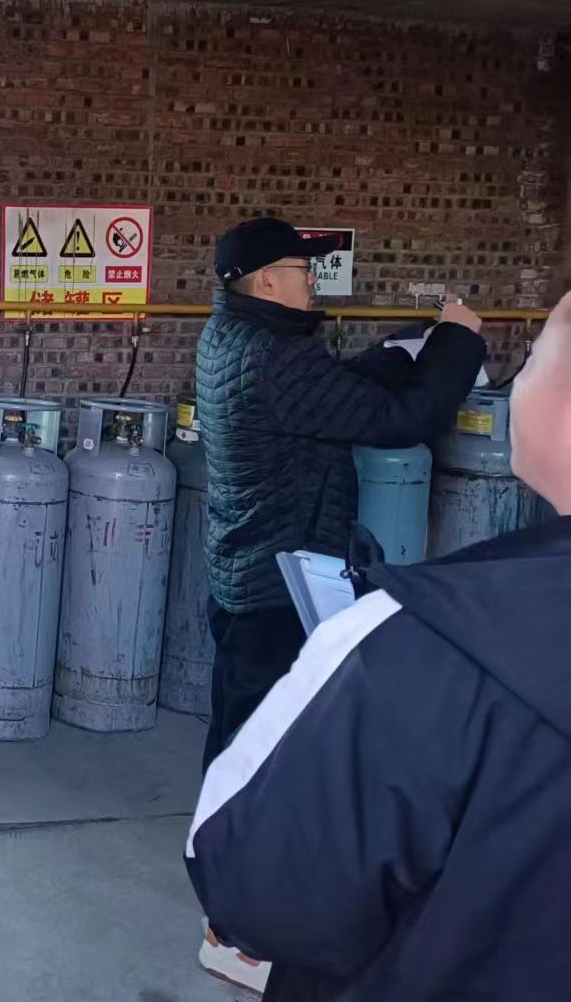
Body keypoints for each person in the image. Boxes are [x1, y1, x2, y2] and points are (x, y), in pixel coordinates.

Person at [186, 287, 571, 1000]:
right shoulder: (274, 353)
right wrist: (440, 344)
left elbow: (260, 885)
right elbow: (363, 404)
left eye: (534, 359)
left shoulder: (419, 639)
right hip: (267, 572)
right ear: (264, 281)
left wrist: (433, 345)